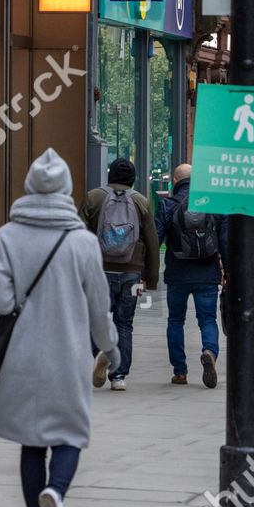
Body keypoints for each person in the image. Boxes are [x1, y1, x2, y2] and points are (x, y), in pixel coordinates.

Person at [0, 149, 121, 507]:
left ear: (30, 187)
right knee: (69, 435)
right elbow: (99, 307)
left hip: (22, 357)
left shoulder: (7, 236)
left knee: (32, 443)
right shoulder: (82, 242)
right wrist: (111, 348)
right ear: (65, 189)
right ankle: (57, 494)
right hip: (68, 354)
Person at [79, 158, 159, 390]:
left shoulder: (94, 197)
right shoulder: (141, 202)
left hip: (99, 271)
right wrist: (150, 279)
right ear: (132, 179)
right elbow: (152, 243)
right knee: (125, 324)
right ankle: (118, 376)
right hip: (131, 275)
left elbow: (77, 232)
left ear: (109, 175)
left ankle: (83, 366)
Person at [158, 163, 224, 387]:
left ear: (175, 181)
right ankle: (209, 352)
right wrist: (228, 270)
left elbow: (155, 238)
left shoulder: (168, 204)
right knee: (207, 319)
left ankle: (180, 372)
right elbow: (224, 239)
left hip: (177, 273)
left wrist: (145, 272)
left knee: (175, 321)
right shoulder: (212, 204)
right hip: (207, 273)